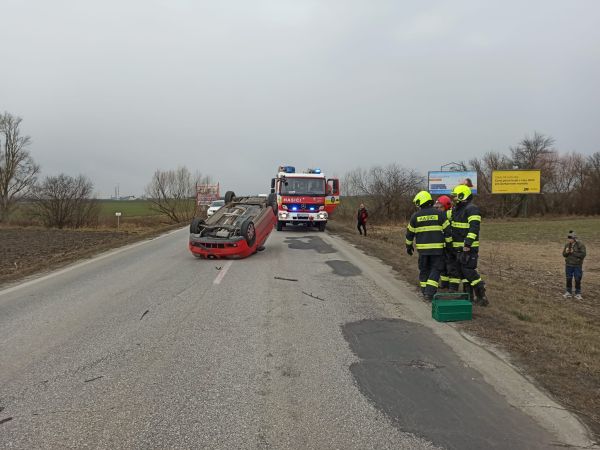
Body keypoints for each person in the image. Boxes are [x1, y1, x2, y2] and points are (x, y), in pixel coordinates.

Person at [405, 191, 451, 301]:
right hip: (437, 250)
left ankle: (425, 290)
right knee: (436, 269)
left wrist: (408, 246)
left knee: (424, 269)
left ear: (420, 202)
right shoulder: (440, 214)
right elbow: (448, 232)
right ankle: (429, 293)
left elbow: (409, 233)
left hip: (423, 251)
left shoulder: (415, 216)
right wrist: (449, 246)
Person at [448, 185, 488, 306]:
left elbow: (474, 228)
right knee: (461, 272)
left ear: (462, 196)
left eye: (455, 196)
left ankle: (482, 296)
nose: (453, 199)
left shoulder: (472, 209)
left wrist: (468, 244)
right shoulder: (456, 209)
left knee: (469, 271)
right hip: (457, 248)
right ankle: (468, 295)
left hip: (468, 248)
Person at [434, 195, 453, 290]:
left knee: (449, 265)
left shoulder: (448, 214)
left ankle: (451, 286)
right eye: (436, 207)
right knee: (443, 266)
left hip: (449, 244)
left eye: (439, 207)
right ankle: (445, 284)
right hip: (443, 244)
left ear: (445, 206)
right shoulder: (443, 214)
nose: (437, 209)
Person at [562, 230, 586, 300]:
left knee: (577, 279)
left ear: (574, 238)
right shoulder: (567, 245)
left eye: (570, 238)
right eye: (568, 238)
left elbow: (583, 255)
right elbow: (564, 255)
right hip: (568, 265)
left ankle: (578, 293)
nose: (569, 239)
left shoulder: (580, 245)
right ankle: (568, 292)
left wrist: (573, 252)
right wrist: (566, 252)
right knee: (568, 278)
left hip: (577, 265)